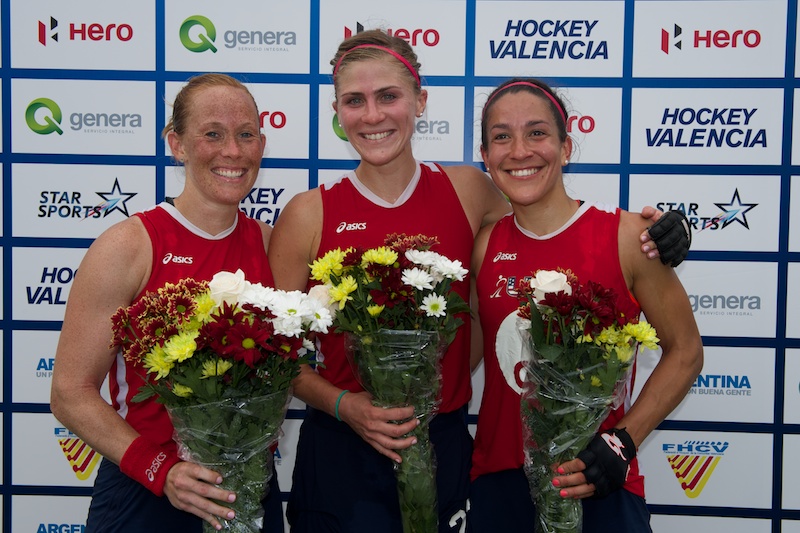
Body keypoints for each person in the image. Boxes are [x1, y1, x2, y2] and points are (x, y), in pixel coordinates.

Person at [268, 31, 688, 533]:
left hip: (447, 445)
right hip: (341, 451)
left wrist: (663, 232)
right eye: (355, 101)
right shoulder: (307, 212)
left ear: (420, 100)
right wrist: (345, 404)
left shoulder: (469, 190)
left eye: (389, 96)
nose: (373, 115)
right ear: (337, 110)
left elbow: (550, 220)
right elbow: (274, 358)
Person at [50, 73, 284, 532]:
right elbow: (69, 393)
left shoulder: (272, 244)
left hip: (247, 486)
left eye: (246, 134)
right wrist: (162, 470)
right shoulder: (129, 245)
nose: (232, 151)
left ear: (261, 142)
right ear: (176, 143)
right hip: (145, 489)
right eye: (212, 134)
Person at [467, 78, 704, 532]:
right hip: (500, 483)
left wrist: (622, 443)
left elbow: (686, 351)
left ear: (566, 146)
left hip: (594, 479)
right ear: (485, 155)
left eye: (537, 132)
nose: (520, 150)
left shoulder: (628, 237)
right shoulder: (483, 247)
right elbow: (469, 352)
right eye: (502, 136)